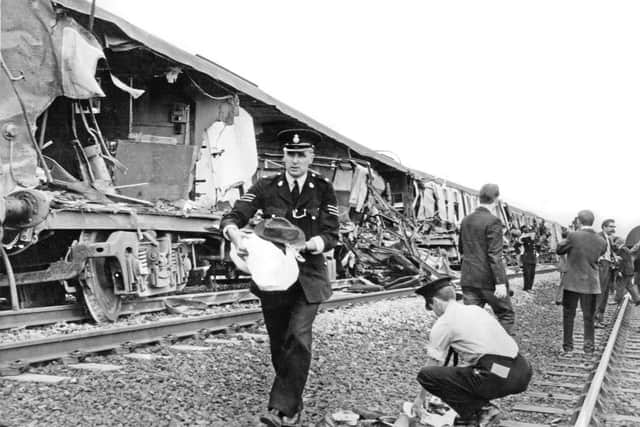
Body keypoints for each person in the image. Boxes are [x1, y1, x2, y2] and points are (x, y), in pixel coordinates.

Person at [220, 129, 339, 427]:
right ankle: (293, 402)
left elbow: (331, 234)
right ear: (283, 157)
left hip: (308, 276)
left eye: (301, 155)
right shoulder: (266, 186)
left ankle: (280, 410)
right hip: (272, 276)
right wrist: (235, 235)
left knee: (298, 336)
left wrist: (308, 244)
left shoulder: (323, 188)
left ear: (311, 157)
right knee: (278, 343)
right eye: (290, 154)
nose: (295, 160)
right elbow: (235, 216)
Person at [412, 277, 532, 426]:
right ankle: (471, 416)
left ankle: (484, 410)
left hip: (498, 375)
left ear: (435, 302)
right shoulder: (475, 310)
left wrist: (419, 399)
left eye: (431, 307)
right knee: (466, 372)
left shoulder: (444, 323)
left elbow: (432, 365)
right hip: (520, 370)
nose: (433, 312)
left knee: (426, 375)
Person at [458, 183, 515, 335]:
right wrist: (500, 283)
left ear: (479, 198)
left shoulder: (465, 220)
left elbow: (461, 250)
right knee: (505, 315)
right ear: (496, 200)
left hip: (469, 279)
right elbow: (494, 255)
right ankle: (501, 352)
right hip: (489, 281)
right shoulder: (494, 221)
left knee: (472, 320)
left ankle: (477, 354)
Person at [556, 210, 606, 354]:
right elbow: (600, 253)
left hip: (572, 282)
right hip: (591, 284)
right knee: (589, 316)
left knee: (568, 315)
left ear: (578, 220)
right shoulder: (601, 240)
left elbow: (560, 250)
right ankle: (589, 348)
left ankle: (568, 347)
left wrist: (569, 237)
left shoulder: (573, 235)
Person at [594, 219, 618, 327]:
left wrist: (614, 257)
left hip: (607, 266)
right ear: (604, 227)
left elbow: (608, 252)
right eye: (611, 227)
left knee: (605, 293)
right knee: (600, 293)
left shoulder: (608, 238)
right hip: (602, 266)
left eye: (614, 227)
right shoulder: (599, 237)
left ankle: (600, 318)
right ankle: (595, 319)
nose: (613, 229)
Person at [612, 237, 640, 305]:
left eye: (616, 244)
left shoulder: (622, 250)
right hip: (629, 270)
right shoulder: (626, 249)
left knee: (620, 285)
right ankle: (637, 299)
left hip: (625, 271)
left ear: (618, 243)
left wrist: (620, 271)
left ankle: (617, 300)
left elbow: (623, 261)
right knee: (629, 286)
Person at [519, 226, 537, 292]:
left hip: (532, 256)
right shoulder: (523, 237)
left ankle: (530, 287)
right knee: (527, 273)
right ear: (523, 230)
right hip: (526, 256)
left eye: (527, 228)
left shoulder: (531, 236)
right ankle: (526, 287)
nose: (527, 229)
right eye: (525, 228)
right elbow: (520, 241)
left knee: (532, 272)